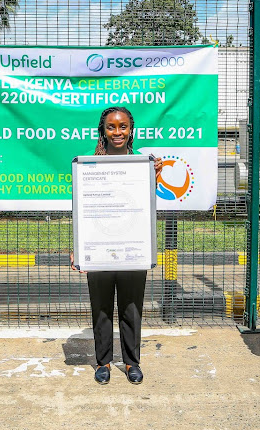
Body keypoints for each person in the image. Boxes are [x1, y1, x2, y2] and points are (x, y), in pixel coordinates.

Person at [71, 106, 162, 385]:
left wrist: (153, 175)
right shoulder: (89, 165)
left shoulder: (141, 164)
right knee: (100, 307)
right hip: (99, 245)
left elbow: (143, 205)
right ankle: (104, 362)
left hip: (132, 247)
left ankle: (132, 362)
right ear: (103, 131)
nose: (117, 132)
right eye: (112, 127)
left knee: (131, 307)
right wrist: (78, 245)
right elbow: (81, 208)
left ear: (131, 129)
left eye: (122, 126)